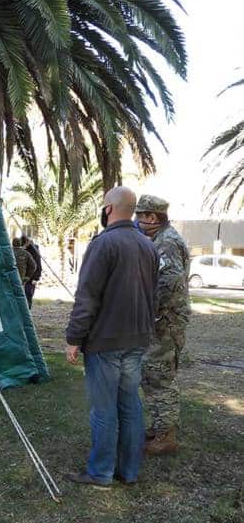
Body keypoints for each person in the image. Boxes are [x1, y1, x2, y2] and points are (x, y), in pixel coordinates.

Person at [64, 187, 158, 486]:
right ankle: (129, 472)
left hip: (106, 342)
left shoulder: (103, 244)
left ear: (108, 209)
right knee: (130, 407)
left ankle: (100, 472)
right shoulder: (148, 245)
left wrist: (74, 338)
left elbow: (87, 297)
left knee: (104, 410)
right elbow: (153, 295)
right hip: (137, 339)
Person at [135, 195, 191, 456]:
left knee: (160, 377)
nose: (137, 220)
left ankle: (165, 437)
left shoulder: (167, 242)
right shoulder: (160, 238)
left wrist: (152, 312)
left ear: (152, 218)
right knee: (153, 374)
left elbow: (169, 281)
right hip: (164, 320)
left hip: (165, 323)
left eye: (140, 215)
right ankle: (160, 427)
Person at [21, 235, 42, 308]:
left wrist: (36, 278)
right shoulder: (22, 249)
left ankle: (27, 311)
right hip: (21, 276)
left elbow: (38, 264)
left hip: (31, 277)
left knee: (28, 294)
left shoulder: (34, 250)